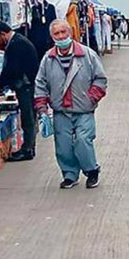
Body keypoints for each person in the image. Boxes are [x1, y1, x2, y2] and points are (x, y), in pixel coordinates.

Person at [35, 19, 108, 189]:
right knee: (63, 145)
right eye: (56, 34)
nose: (60, 37)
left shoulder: (88, 55)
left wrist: (91, 97)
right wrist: (42, 108)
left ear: (70, 33)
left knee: (83, 140)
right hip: (60, 110)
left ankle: (91, 171)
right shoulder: (48, 58)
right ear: (52, 36)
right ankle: (69, 174)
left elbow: (100, 78)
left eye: (63, 32)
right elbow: (40, 83)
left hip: (84, 109)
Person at [0, 22, 40, 161]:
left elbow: (11, 69)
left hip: (26, 85)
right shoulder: (17, 41)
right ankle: (29, 147)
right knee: (28, 116)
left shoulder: (17, 44)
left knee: (28, 116)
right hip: (25, 84)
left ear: (3, 34)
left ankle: (28, 149)